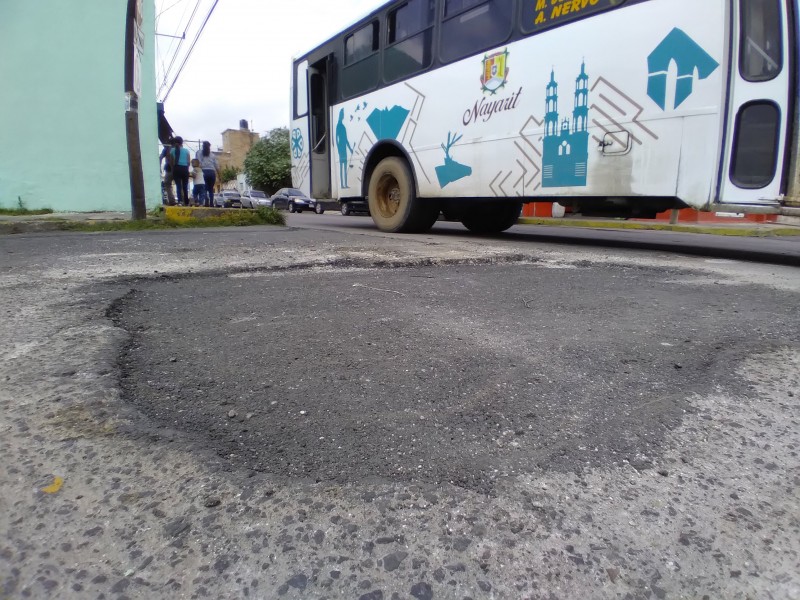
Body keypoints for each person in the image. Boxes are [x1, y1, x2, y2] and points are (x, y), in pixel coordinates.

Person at [196, 141, 220, 208]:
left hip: (203, 172)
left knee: (204, 188)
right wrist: (220, 175)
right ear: (209, 147)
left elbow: (198, 163)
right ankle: (211, 204)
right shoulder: (212, 155)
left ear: (202, 146)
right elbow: (217, 166)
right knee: (211, 189)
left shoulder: (199, 153)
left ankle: (206, 202)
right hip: (212, 173)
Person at [335, 109, 354, 189]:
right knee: (341, 166)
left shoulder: (343, 126)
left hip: (344, 147)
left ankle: (345, 184)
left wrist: (350, 148)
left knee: (345, 165)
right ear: (340, 115)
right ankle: (342, 184)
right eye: (342, 114)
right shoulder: (339, 126)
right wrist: (338, 149)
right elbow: (336, 138)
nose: (343, 116)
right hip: (341, 147)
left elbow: (346, 139)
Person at [169, 136, 191, 206]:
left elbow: (171, 162)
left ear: (175, 142)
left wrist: (173, 170)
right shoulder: (186, 151)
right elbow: (188, 162)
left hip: (176, 168)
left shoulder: (172, 150)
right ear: (182, 142)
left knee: (178, 186)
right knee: (185, 186)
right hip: (185, 169)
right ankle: (186, 202)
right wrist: (186, 169)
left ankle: (180, 201)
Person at [159, 139, 176, 205]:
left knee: (167, 184)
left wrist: (160, 167)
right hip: (178, 168)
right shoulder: (180, 149)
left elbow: (160, 157)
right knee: (179, 184)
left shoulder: (166, 149)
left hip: (169, 168)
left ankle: (172, 200)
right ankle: (182, 201)